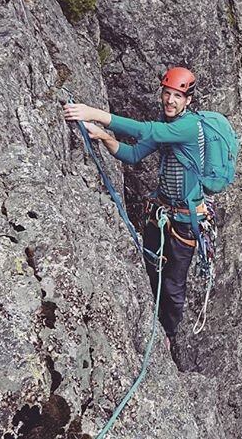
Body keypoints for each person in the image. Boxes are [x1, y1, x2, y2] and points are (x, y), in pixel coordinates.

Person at [63, 67, 205, 365]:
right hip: (160, 214)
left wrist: (97, 113)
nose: (170, 100)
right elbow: (133, 155)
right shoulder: (168, 128)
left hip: (183, 223)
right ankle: (154, 321)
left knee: (173, 284)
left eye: (177, 96)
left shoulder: (189, 128)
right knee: (150, 268)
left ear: (188, 101)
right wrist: (103, 136)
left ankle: (169, 334)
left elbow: (147, 131)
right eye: (167, 94)